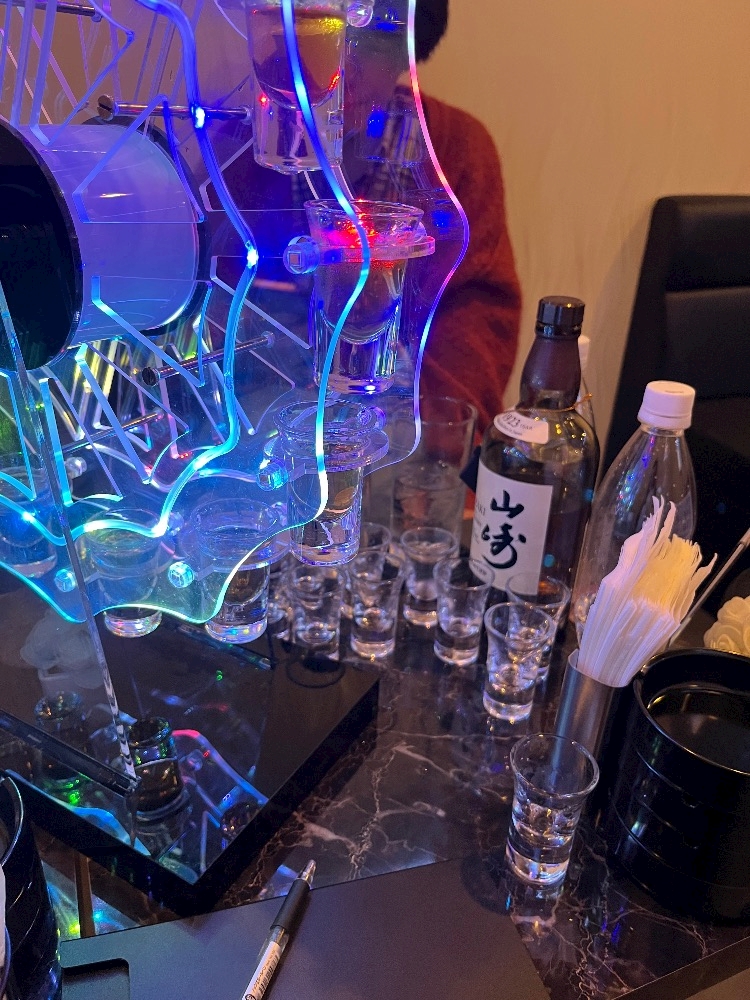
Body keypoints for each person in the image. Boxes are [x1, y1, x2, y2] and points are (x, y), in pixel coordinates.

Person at [412, 0, 522, 434]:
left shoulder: (457, 146)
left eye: (373, 35)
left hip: (411, 433)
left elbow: (479, 316)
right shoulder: (237, 141)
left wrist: (438, 430)